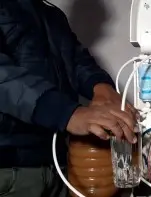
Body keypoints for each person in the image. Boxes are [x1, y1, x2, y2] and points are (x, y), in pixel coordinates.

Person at [0, 0, 138, 196]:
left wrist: (101, 86)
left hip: (56, 166)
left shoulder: (50, 15)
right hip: (10, 172)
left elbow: (76, 59)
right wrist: (68, 113)